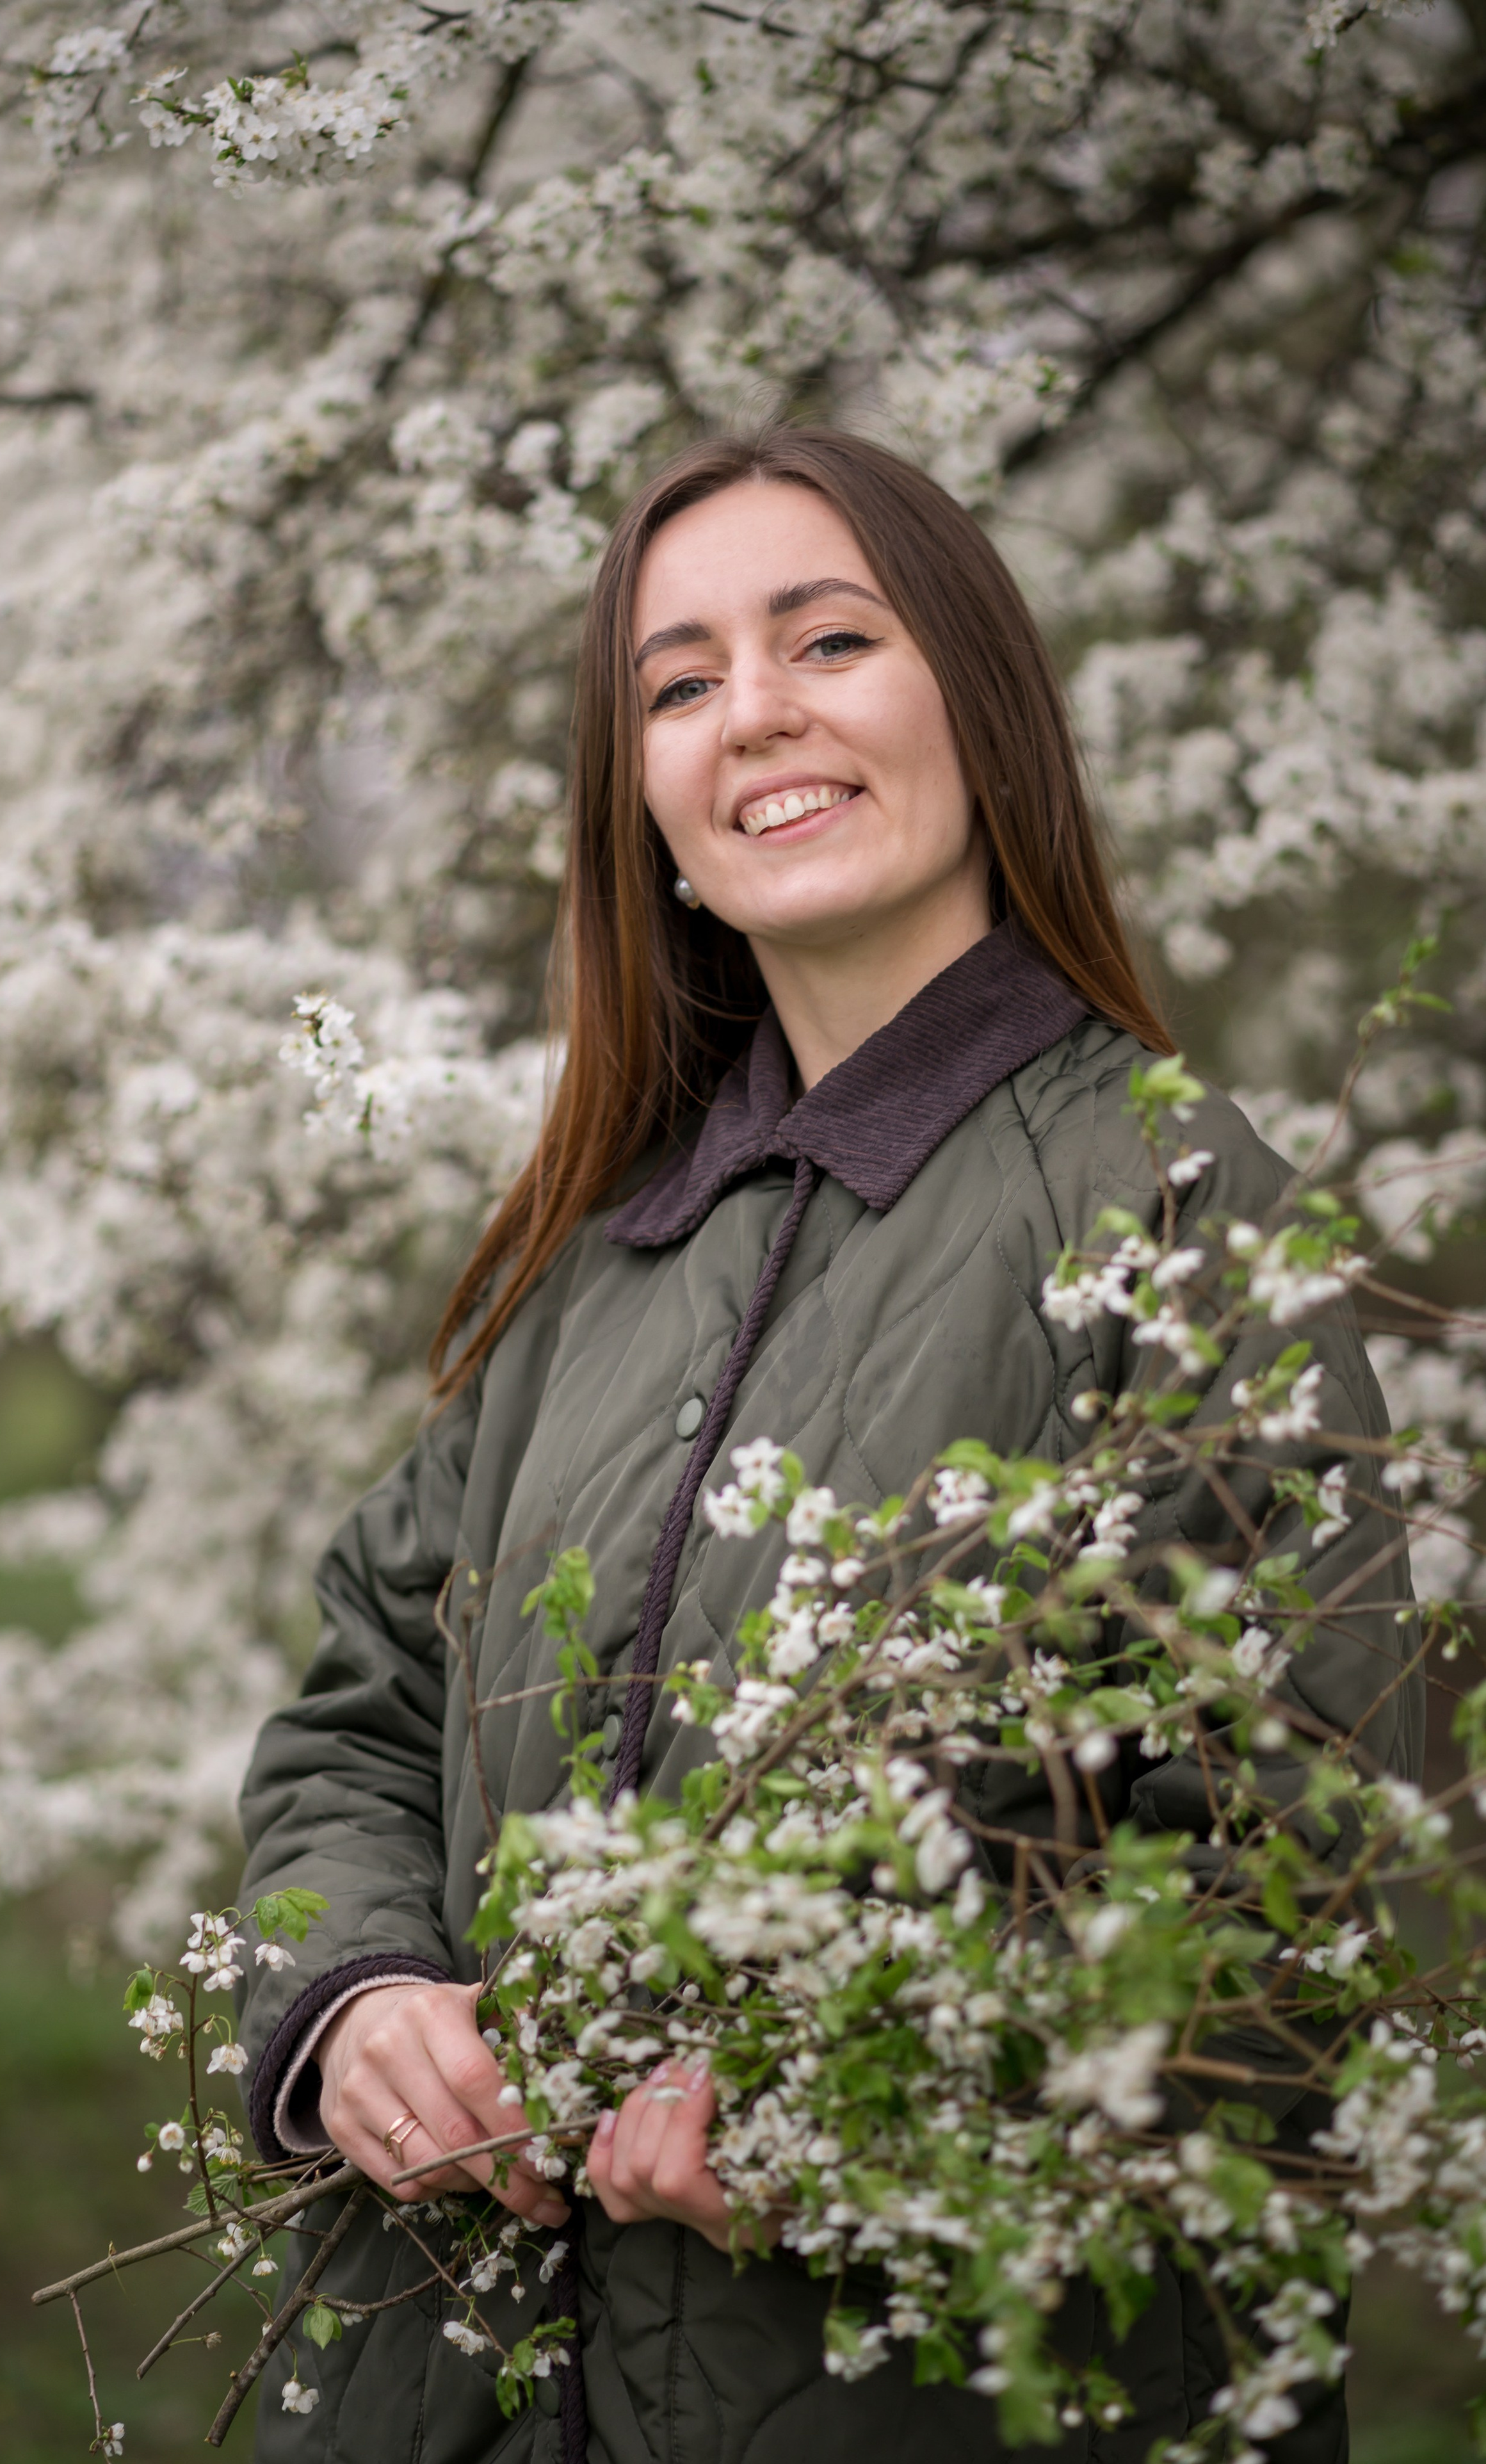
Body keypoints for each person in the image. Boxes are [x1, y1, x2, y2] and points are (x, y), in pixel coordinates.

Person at [235, 428, 1412, 2463]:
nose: (752, 713)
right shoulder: (593, 1252)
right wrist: (361, 1998)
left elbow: (1303, 1881)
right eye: (678, 685)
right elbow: (368, 1706)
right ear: (655, 814)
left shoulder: (1180, 1223)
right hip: (467, 2390)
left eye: (829, 640)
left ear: (980, 701)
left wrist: (871, 2098)